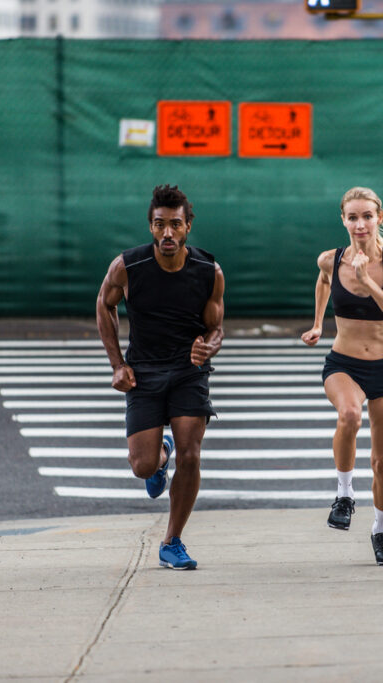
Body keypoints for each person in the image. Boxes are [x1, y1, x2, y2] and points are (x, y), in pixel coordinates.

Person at [96, 184, 225, 571]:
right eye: (159, 225)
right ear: (150, 227)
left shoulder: (208, 271)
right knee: (142, 466)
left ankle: (172, 541)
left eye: (175, 225)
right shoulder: (128, 267)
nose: (167, 233)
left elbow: (217, 326)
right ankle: (159, 455)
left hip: (189, 371)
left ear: (188, 226)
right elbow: (105, 306)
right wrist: (118, 364)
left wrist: (209, 346)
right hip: (144, 372)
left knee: (192, 454)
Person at [301, 187, 383, 566]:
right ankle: (344, 494)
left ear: (379, 217)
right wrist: (317, 324)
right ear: (343, 220)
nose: (360, 224)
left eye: (367, 216)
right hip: (343, 362)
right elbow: (323, 281)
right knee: (348, 415)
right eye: (353, 217)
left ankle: (381, 530)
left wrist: (366, 284)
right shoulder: (330, 260)